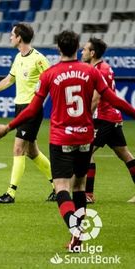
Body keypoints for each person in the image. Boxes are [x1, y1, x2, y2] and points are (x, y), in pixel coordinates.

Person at [0, 30, 135, 250]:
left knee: (61, 188)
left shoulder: (49, 75)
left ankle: (76, 233)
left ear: (58, 48)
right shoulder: (91, 72)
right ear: (77, 47)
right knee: (79, 187)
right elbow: (115, 100)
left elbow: (32, 110)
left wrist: (8, 127)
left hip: (61, 138)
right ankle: (77, 236)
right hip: (85, 137)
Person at [0, 23, 55, 204]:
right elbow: (9, 79)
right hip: (20, 108)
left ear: (19, 38)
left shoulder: (39, 59)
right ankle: (58, 186)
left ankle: (10, 193)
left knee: (18, 148)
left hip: (31, 109)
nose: (10, 37)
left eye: (12, 35)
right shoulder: (18, 57)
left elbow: (52, 82)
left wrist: (40, 102)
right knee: (32, 151)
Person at [81, 37, 135, 203]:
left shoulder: (100, 70)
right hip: (113, 117)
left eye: (85, 49)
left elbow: (96, 99)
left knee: (86, 151)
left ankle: (88, 194)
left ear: (93, 53)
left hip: (103, 118)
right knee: (125, 154)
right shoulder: (102, 67)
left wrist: (84, 118)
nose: (82, 52)